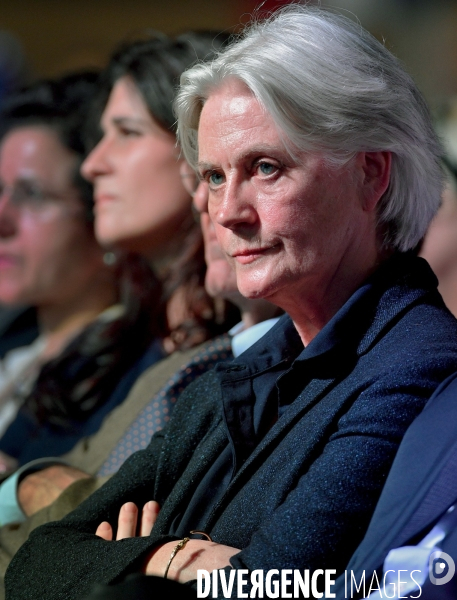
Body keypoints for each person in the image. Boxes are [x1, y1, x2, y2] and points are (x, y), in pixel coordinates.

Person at [6, 6, 457, 599]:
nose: (226, 213)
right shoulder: (243, 369)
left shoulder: (415, 364)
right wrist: (170, 559)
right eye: (215, 176)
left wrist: (128, 562)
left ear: (371, 176)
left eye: (265, 168)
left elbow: (270, 587)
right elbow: (36, 561)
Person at [0, 72, 164, 468]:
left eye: (31, 195)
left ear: (101, 210)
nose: (2, 218)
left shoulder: (128, 375)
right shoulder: (18, 340)